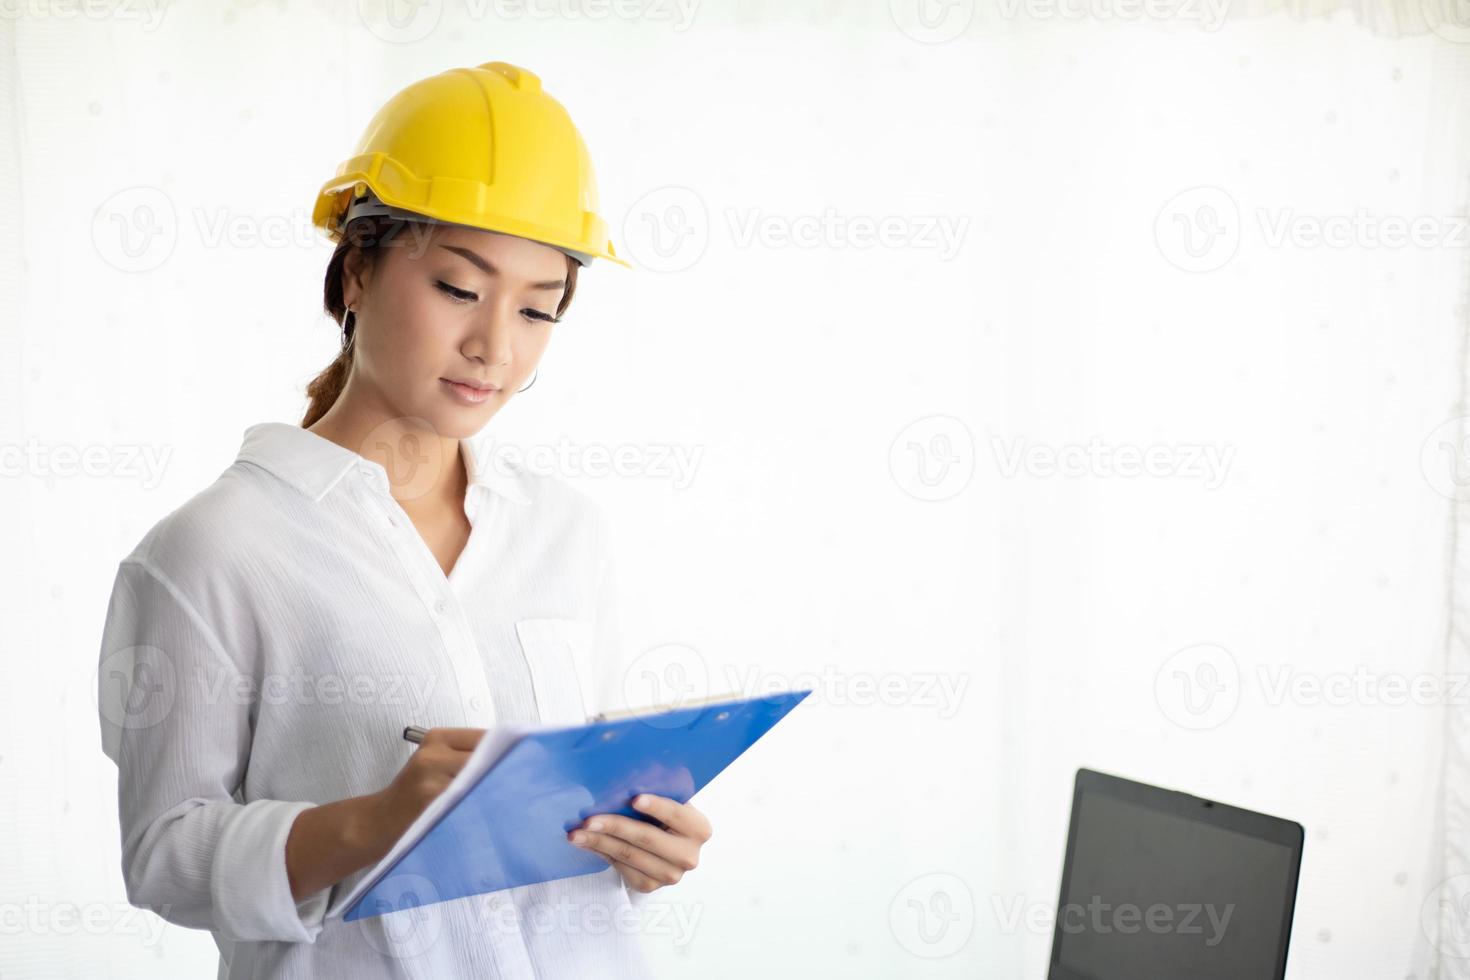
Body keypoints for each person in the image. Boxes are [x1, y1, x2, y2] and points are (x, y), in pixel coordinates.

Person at [95, 60, 710, 979]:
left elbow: (581, 809)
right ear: (356, 274)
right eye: (459, 289)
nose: (494, 347)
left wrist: (645, 848)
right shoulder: (212, 551)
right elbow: (164, 859)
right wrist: (374, 819)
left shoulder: (567, 531)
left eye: (539, 309)